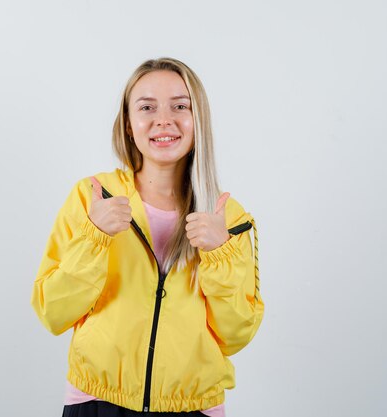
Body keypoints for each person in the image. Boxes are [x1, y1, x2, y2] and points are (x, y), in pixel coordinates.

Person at [31, 57, 264, 416]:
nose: (164, 120)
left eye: (180, 106)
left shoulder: (227, 217)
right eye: (147, 107)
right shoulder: (93, 197)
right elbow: (53, 312)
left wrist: (220, 254)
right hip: (97, 403)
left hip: (192, 408)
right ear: (128, 123)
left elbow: (236, 335)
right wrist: (94, 238)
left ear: (198, 119)